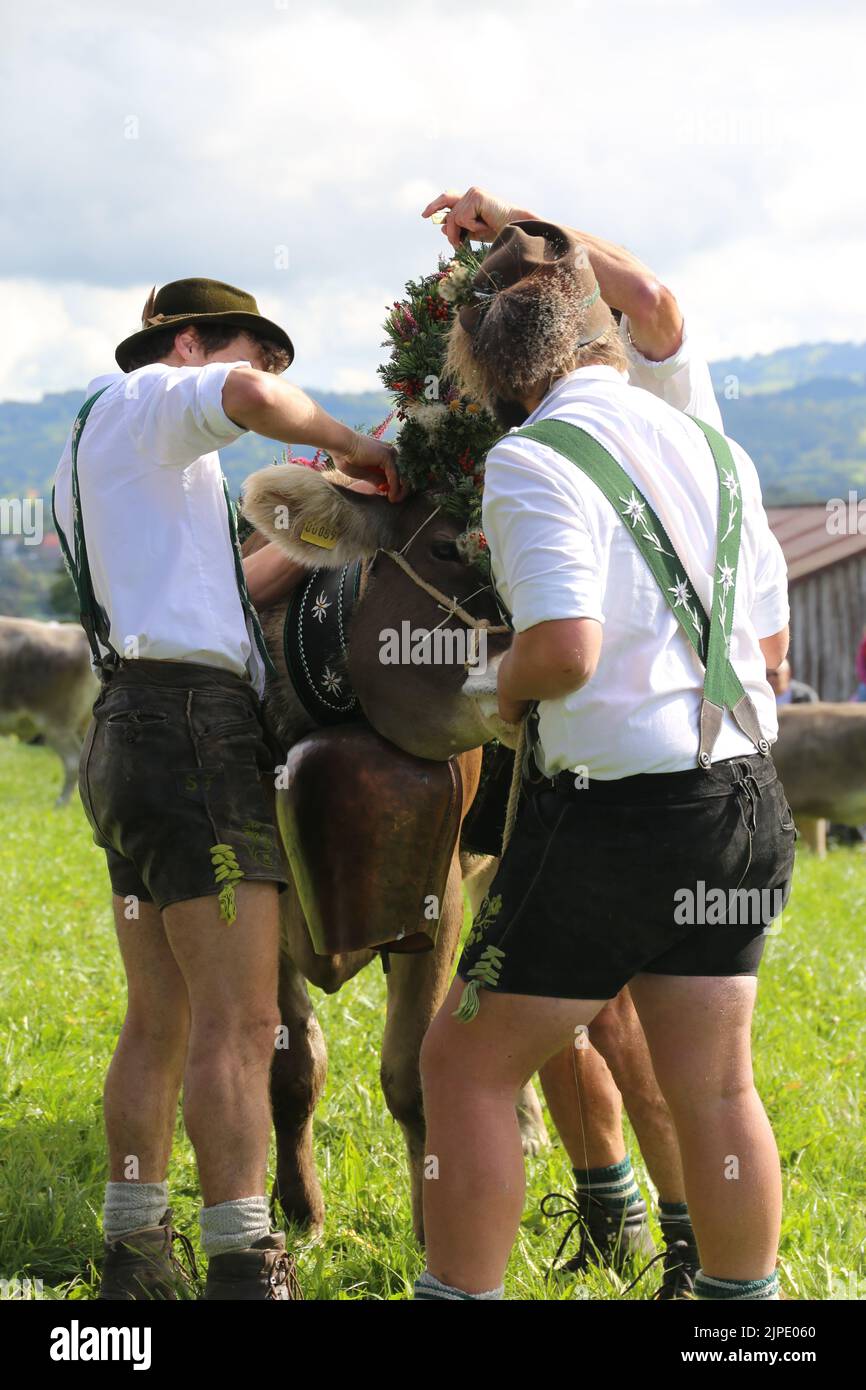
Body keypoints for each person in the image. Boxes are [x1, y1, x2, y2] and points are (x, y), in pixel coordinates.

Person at [412, 219, 794, 1302]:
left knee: (465, 1065)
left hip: (613, 819)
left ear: (494, 371)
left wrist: (491, 692)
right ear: (598, 336)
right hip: (742, 800)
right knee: (718, 1087)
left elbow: (563, 652)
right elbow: (764, 653)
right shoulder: (716, 451)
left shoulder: (529, 458)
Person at [53, 277, 397, 1300]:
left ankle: (134, 1255)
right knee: (245, 1023)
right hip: (194, 732)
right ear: (188, 341)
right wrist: (358, 450)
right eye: (257, 351)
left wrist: (309, 533)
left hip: (125, 726)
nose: (266, 379)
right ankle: (245, 1264)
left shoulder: (111, 449)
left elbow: (216, 589)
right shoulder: (161, 397)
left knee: (157, 1015)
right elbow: (245, 398)